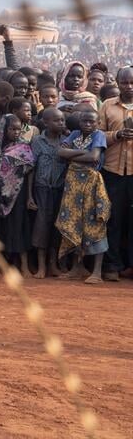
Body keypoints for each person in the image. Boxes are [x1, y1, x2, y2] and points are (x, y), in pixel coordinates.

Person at [56, 106, 111, 284]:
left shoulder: (99, 135)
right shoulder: (75, 134)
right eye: (84, 121)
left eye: (91, 121)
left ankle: (96, 271)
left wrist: (71, 155)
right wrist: (81, 153)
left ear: (98, 123)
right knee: (74, 222)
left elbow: (94, 157)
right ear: (79, 122)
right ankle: (76, 267)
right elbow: (60, 152)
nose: (87, 124)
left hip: (91, 183)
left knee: (94, 223)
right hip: (73, 184)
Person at [97, 67, 133, 281]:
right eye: (125, 82)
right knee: (113, 220)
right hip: (113, 172)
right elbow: (97, 134)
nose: (129, 86)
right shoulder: (107, 106)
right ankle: (112, 265)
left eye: (132, 82)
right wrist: (117, 135)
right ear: (117, 83)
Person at [0, 113, 36, 277]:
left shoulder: (24, 148)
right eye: (12, 129)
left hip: (19, 195)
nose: (16, 132)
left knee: (20, 227)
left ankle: (24, 266)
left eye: (18, 129)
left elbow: (29, 172)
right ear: (4, 129)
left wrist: (30, 196)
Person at [30, 107, 68, 278]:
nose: (61, 123)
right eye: (57, 120)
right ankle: (41, 266)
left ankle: (53, 264)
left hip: (59, 190)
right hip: (41, 189)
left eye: (63, 120)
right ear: (46, 122)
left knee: (56, 227)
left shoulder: (66, 141)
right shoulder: (38, 141)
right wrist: (29, 195)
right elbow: (31, 168)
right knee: (41, 226)